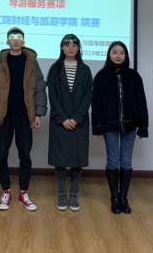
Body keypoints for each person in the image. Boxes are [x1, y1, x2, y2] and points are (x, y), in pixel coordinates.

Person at [0, 27, 47, 211]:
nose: (15, 40)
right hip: (4, 116)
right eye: (12, 37)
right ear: (7, 41)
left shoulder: (32, 62)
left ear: (23, 41)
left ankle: (23, 193)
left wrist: (38, 113)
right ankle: (6, 192)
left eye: (19, 37)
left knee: (25, 156)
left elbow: (40, 88)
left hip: (25, 116)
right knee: (1, 155)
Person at [92, 41, 149, 214]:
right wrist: (97, 125)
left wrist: (143, 125)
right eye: (114, 52)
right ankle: (114, 198)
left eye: (121, 52)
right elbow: (96, 102)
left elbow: (141, 101)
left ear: (126, 56)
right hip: (109, 125)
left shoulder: (133, 76)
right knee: (112, 160)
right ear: (109, 55)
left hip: (130, 125)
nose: (118, 55)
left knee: (126, 161)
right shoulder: (101, 75)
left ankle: (123, 197)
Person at [47, 34, 92, 212]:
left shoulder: (85, 70)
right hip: (60, 121)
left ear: (79, 48)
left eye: (74, 45)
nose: (71, 48)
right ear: (62, 48)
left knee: (77, 161)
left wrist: (76, 118)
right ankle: (61, 194)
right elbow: (52, 96)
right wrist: (63, 118)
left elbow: (88, 95)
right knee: (59, 161)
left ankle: (73, 195)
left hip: (79, 122)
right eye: (67, 45)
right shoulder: (55, 68)